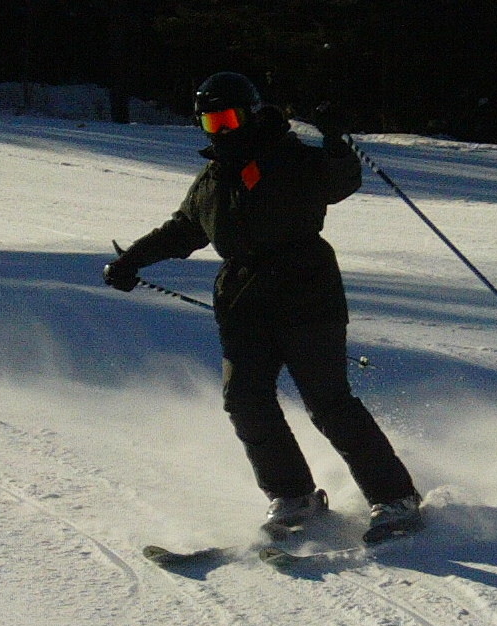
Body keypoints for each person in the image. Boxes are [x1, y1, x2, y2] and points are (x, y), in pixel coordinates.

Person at [103, 72, 422, 538]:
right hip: (243, 301)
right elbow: (184, 229)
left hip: (306, 291)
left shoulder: (288, 156)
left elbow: (339, 181)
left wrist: (336, 141)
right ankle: (293, 495)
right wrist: (131, 260)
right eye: (212, 122)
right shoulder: (213, 179)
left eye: (229, 119)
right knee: (244, 399)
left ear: (250, 115)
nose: (222, 131)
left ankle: (395, 498)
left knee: (327, 402)